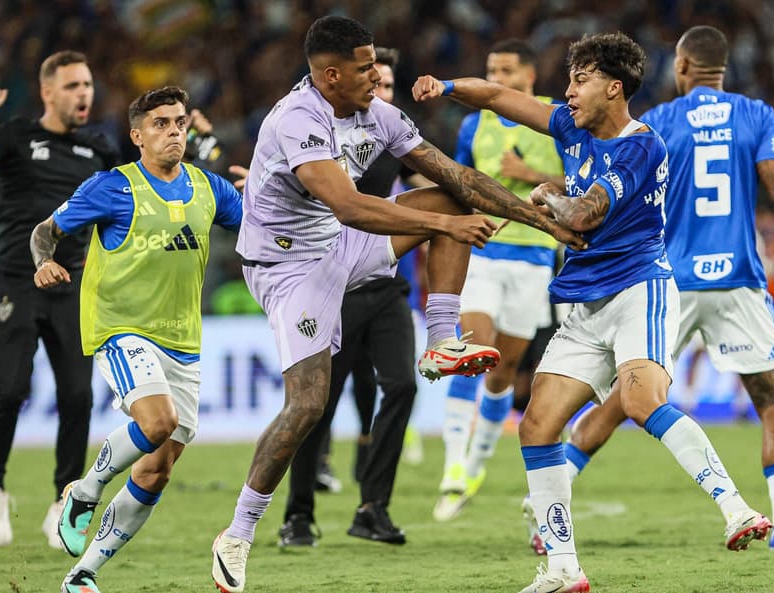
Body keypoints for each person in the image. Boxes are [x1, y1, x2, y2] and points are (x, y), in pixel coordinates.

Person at [210, 17, 582, 593]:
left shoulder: (376, 113)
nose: (378, 76)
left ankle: (440, 341)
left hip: (343, 247)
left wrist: (540, 220)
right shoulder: (295, 119)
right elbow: (349, 206)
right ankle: (238, 531)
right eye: (364, 68)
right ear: (331, 75)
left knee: (456, 191)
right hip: (287, 269)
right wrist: (443, 222)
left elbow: (456, 175)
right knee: (308, 405)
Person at [414, 31, 771, 593]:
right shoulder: (567, 126)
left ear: (612, 87)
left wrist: (546, 194)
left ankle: (736, 508)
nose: (568, 91)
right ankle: (562, 568)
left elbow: (583, 214)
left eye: (579, 80)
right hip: (584, 304)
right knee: (536, 428)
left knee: (639, 400)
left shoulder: (640, 144)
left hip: (638, 291)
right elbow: (499, 99)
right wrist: (449, 86)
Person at [548, 25, 774, 557]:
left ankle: (547, 503)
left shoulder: (654, 124)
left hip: (666, 280)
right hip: (737, 280)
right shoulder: (756, 116)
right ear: (721, 69)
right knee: (773, 400)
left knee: (623, 400)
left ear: (681, 67)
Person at [30, 86, 242, 593]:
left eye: (179, 123)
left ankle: (83, 574)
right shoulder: (111, 187)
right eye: (161, 124)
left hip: (183, 341)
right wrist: (45, 261)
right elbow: (45, 231)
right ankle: (84, 490)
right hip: (120, 327)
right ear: (137, 136)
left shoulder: (211, 189)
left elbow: (260, 229)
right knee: (157, 420)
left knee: (156, 471)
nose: (173, 132)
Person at [279, 46, 427, 547]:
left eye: (387, 86)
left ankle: (372, 507)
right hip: (330, 287)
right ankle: (298, 514)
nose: (380, 94)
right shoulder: (325, 137)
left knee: (403, 385)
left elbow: (426, 183)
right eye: (374, 84)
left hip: (385, 288)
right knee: (314, 405)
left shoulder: (392, 140)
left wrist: (466, 199)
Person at [434, 39, 566, 522]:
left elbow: (587, 183)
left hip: (535, 258)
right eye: (490, 68)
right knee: (471, 352)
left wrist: (528, 174)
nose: (496, 77)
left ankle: (475, 464)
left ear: (528, 77)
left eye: (506, 70)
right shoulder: (475, 124)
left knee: (504, 375)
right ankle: (451, 468)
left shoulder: (558, 117)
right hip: (485, 253)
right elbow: (460, 185)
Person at [0, 50, 118, 549]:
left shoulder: (99, 149)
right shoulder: (15, 135)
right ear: (47, 92)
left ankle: (61, 501)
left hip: (73, 286)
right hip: (16, 280)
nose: (83, 93)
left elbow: (140, 192)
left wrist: (194, 147)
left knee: (78, 398)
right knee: (6, 391)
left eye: (86, 84)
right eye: (71, 86)